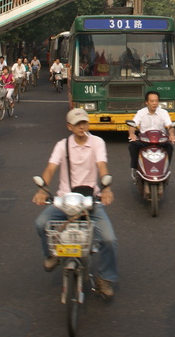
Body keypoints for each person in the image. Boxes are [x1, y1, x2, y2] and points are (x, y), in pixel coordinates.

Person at [32, 108, 118, 298]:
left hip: (90, 201)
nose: (82, 126)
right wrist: (42, 189)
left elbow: (102, 167)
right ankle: (52, 254)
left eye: (84, 123)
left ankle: (105, 277)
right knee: (40, 224)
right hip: (64, 200)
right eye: (77, 124)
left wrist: (106, 188)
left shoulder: (97, 143)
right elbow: (50, 168)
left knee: (109, 240)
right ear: (69, 126)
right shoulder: (62, 145)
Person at [128, 91, 175, 177]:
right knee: (132, 145)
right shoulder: (141, 113)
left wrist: (172, 135)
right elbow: (133, 125)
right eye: (152, 101)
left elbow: (170, 126)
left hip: (160, 141)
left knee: (169, 147)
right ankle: (135, 168)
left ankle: (164, 169)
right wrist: (132, 134)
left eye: (156, 101)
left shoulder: (163, 113)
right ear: (146, 102)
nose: (154, 103)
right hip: (145, 141)